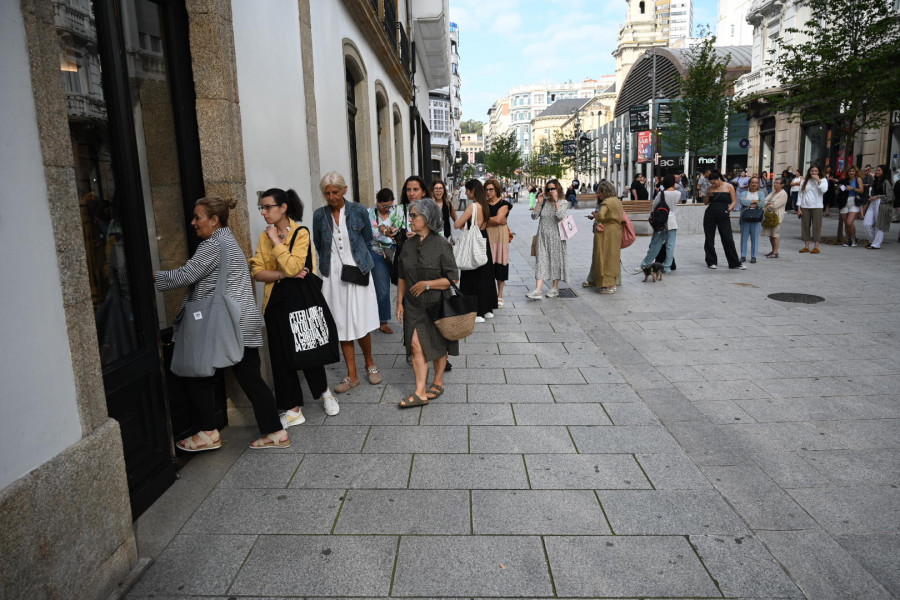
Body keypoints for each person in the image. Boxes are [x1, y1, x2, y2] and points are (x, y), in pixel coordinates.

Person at [156, 196, 289, 450]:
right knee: (248, 377)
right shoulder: (227, 240)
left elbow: (186, 275)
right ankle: (274, 432)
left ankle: (208, 433)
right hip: (241, 321)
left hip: (226, 323)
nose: (193, 222)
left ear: (214, 220)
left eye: (198, 217)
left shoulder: (213, 244)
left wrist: (147, 276)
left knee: (199, 373)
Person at [250, 188, 339, 425]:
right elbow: (257, 271)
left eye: (268, 207)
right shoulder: (263, 236)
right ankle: (293, 409)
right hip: (275, 303)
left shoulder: (300, 233)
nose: (264, 212)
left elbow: (295, 266)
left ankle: (325, 393)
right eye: (262, 207)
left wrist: (275, 242)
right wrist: (281, 274)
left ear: (283, 207)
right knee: (280, 357)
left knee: (307, 348)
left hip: (300, 302)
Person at [312, 171, 382, 396]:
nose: (331, 197)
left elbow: (368, 240)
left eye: (335, 192)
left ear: (344, 190)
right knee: (341, 323)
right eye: (327, 193)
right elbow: (318, 242)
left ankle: (370, 364)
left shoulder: (359, 211)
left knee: (360, 319)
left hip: (357, 268)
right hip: (333, 274)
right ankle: (352, 375)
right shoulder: (319, 215)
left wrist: (359, 260)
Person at [395, 198, 460, 408]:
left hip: (437, 304)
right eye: (410, 215)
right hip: (413, 306)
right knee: (415, 346)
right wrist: (399, 302)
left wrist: (428, 284)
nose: (410, 219)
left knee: (438, 345)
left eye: (414, 216)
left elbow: (453, 279)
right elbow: (402, 275)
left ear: (428, 218)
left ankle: (438, 380)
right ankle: (420, 392)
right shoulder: (408, 244)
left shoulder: (441, 245)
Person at [454, 179, 497, 322]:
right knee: (485, 275)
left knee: (471, 275)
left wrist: (460, 222)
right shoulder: (485, 205)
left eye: (467, 190)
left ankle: (475, 311)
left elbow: (457, 224)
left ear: (473, 190)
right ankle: (487, 309)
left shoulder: (473, 207)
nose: (466, 192)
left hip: (473, 242)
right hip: (483, 240)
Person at [527, 179, 570, 298]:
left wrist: (556, 201)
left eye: (553, 189)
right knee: (540, 261)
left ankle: (555, 288)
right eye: (548, 189)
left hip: (556, 236)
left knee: (555, 261)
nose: (550, 191)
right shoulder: (544, 202)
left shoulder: (563, 202)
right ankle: (538, 290)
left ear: (558, 189)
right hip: (542, 235)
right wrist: (539, 202)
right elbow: (534, 216)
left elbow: (560, 216)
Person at [370, 187, 404, 334]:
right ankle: (383, 321)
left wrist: (391, 232)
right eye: (383, 206)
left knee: (403, 284)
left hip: (396, 253)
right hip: (378, 253)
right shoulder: (370, 213)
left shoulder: (397, 211)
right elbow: (374, 233)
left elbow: (400, 226)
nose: (386, 209)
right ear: (377, 202)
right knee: (382, 289)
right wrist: (386, 232)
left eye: (389, 205)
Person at [703, 170, 745, 269]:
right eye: (711, 183)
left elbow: (734, 201)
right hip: (710, 214)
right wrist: (707, 196)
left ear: (718, 179)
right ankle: (711, 261)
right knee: (709, 238)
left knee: (728, 238)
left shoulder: (729, 186)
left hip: (723, 215)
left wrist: (728, 210)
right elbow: (706, 203)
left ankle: (734, 263)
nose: (713, 184)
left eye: (714, 182)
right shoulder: (710, 188)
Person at [640, 173, 679, 273]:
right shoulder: (678, 193)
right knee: (670, 245)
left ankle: (646, 264)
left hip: (661, 222)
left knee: (655, 244)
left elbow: (654, 206)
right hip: (672, 221)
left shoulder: (661, 194)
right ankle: (667, 267)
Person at [591, 180, 624, 294]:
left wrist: (598, 219)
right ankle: (613, 283)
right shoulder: (617, 201)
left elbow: (601, 214)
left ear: (604, 192)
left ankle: (608, 285)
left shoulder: (606, 202)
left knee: (605, 257)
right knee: (614, 256)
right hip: (616, 231)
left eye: (600, 192)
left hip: (607, 232)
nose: (598, 195)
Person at [483, 178, 512, 308]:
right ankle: (489, 294)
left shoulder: (504, 203)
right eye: (486, 189)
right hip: (487, 237)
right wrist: (489, 220)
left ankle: (500, 295)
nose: (488, 192)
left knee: (501, 265)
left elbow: (500, 218)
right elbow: (480, 221)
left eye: (491, 189)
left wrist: (485, 220)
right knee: (487, 266)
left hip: (500, 237)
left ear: (496, 190)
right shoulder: (483, 204)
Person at [860, 164, 895, 249]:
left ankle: (876, 244)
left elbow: (890, 196)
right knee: (866, 223)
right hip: (873, 202)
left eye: (879, 170)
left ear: (884, 172)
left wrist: (878, 197)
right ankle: (872, 241)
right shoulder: (875, 181)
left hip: (882, 203)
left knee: (879, 225)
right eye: (876, 170)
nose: (877, 172)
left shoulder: (886, 182)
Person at [796, 165, 827, 254]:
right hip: (805, 206)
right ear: (809, 172)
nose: (813, 172)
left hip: (817, 206)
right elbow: (800, 194)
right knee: (805, 226)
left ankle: (816, 246)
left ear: (819, 172)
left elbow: (824, 190)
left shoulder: (823, 180)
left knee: (816, 226)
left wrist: (818, 180)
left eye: (816, 171)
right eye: (812, 171)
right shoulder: (804, 181)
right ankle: (806, 246)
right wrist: (799, 208)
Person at [739, 175, 767, 263]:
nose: (754, 184)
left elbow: (762, 204)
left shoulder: (761, 193)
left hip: (756, 218)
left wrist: (749, 203)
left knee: (755, 238)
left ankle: (754, 256)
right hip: (745, 218)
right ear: (749, 183)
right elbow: (742, 202)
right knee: (744, 238)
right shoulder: (744, 193)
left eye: (756, 183)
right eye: (752, 182)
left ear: (758, 184)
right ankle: (743, 255)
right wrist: (755, 201)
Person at [762, 177, 788, 258]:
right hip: (769, 215)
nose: (775, 184)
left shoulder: (783, 194)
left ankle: (775, 252)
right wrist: (768, 203)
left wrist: (768, 204)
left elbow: (775, 205)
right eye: (775, 183)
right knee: (770, 234)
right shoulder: (773, 192)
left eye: (777, 183)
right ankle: (773, 250)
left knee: (775, 234)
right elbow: (764, 200)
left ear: (782, 185)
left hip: (777, 216)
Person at [840, 165, 864, 247]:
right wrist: (840, 188)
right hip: (844, 201)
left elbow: (861, 190)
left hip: (854, 201)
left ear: (856, 172)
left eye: (853, 171)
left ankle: (854, 239)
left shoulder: (858, 179)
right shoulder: (844, 180)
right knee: (846, 223)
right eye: (850, 171)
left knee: (849, 222)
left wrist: (852, 189)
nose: (851, 173)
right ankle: (848, 240)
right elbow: (839, 191)